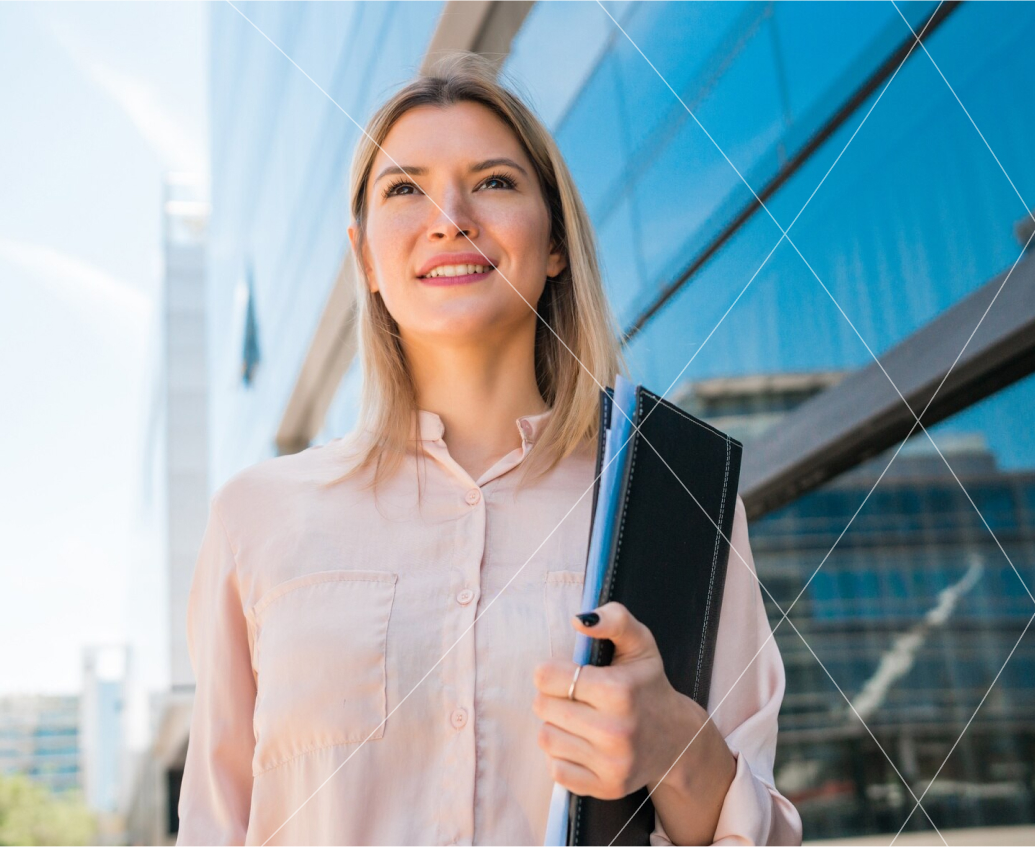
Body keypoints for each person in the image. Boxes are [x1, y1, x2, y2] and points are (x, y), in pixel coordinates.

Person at [176, 53, 802, 846]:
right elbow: (213, 825)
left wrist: (675, 744)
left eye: (495, 181)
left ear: (554, 245)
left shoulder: (673, 498)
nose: (449, 214)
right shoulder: (254, 518)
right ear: (366, 255)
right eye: (403, 188)